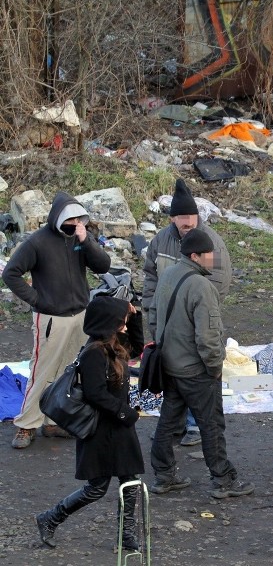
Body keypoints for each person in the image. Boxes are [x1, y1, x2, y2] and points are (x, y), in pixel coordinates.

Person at [148, 229, 254, 499]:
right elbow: (207, 336)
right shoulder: (203, 287)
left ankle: (164, 475)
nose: (213, 258)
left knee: (169, 421)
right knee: (211, 425)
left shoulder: (168, 275)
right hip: (195, 371)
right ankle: (223, 481)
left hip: (169, 365)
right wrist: (215, 366)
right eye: (209, 254)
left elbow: (153, 316)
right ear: (195, 256)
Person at [2, 192, 111, 449]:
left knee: (68, 372)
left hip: (79, 316)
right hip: (51, 318)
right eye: (70, 219)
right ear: (58, 218)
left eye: (78, 218)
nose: (75, 223)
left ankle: (52, 421)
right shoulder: (37, 242)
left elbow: (103, 266)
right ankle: (26, 425)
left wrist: (87, 242)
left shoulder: (80, 239)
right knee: (42, 371)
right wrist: (38, 300)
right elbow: (11, 274)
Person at [35, 296, 144, 550]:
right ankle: (50, 518)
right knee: (97, 488)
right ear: (109, 324)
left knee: (130, 482)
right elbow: (95, 394)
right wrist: (124, 413)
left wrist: (135, 315)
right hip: (101, 429)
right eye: (122, 322)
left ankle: (126, 535)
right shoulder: (94, 353)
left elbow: (137, 348)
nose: (125, 326)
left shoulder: (114, 344)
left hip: (119, 426)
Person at [142, 178, 232, 447]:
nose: (187, 226)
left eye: (191, 220)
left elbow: (219, 281)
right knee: (173, 373)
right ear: (173, 220)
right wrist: (151, 311)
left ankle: (194, 425)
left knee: (196, 371)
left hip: (195, 318)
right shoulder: (160, 242)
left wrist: (195, 306)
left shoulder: (209, 243)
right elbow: (150, 278)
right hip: (166, 320)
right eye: (182, 222)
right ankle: (174, 425)